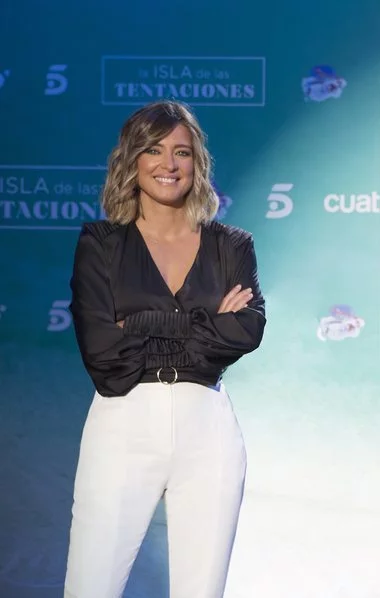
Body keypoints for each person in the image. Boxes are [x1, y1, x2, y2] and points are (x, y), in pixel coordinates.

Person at [64, 99, 266, 598]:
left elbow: (244, 332)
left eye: (182, 152)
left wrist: (138, 323)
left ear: (198, 163)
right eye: (154, 150)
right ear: (132, 159)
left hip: (208, 431)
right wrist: (207, 324)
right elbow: (105, 357)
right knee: (90, 587)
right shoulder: (100, 244)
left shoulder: (232, 246)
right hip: (122, 424)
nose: (168, 164)